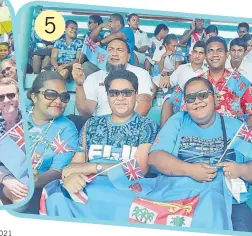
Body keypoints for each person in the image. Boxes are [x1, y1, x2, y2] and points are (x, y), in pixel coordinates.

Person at [39, 69, 159, 219]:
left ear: (136, 95)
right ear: (107, 96)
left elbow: (139, 169)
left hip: (127, 187)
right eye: (114, 93)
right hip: (90, 186)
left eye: (126, 93)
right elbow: (76, 164)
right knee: (54, 193)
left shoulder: (147, 126)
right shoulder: (92, 124)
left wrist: (92, 167)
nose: (120, 98)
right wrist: (71, 177)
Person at [149, 77, 252, 231]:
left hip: (227, 201)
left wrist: (241, 170)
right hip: (180, 197)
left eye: (203, 95)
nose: (197, 101)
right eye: (190, 98)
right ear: (186, 104)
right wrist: (190, 170)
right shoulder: (178, 121)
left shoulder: (235, 126)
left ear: (215, 98)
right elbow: (155, 157)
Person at [3, 71, 78, 211]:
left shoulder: (67, 129)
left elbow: (57, 171)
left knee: (21, 195)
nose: (58, 101)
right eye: (50, 94)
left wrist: (35, 179)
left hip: (30, 188)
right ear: (34, 96)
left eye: (64, 97)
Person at [164, 37, 252, 127]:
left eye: (219, 50)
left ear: (227, 55)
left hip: (230, 138)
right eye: (210, 51)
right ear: (205, 56)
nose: (215, 55)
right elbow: (185, 114)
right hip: (201, 137)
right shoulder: (196, 83)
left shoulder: (239, 82)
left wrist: (238, 135)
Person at [73, 38, 153, 118]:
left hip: (132, 124)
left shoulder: (141, 74)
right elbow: (86, 113)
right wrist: (79, 85)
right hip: (101, 125)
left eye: (120, 50)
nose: (114, 54)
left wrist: (128, 125)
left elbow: (145, 103)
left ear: (128, 57)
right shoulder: (94, 77)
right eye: (110, 50)